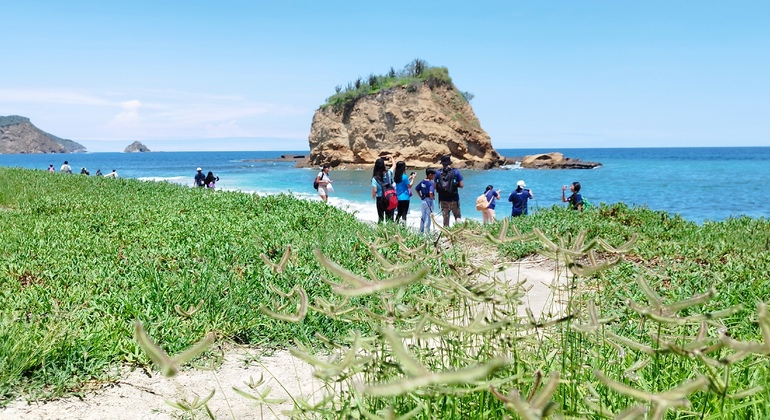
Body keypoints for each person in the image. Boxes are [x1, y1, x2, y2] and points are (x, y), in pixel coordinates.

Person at [434, 155, 464, 227]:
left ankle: (446, 235)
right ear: (450, 163)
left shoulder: (438, 173)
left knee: (446, 219)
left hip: (443, 199)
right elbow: (461, 185)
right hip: (454, 198)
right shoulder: (455, 172)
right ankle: (459, 232)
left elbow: (435, 186)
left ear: (442, 164)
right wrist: (454, 185)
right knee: (457, 216)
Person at [371, 156, 395, 223]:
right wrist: (391, 158)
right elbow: (394, 166)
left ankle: (380, 232)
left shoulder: (374, 178)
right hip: (390, 197)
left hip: (380, 199)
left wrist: (373, 195)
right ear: (383, 165)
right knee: (390, 218)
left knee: (381, 217)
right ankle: (391, 232)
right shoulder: (389, 173)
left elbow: (375, 190)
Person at [414, 168, 436, 233]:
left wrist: (420, 196)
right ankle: (428, 231)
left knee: (423, 216)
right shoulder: (431, 183)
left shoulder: (422, 182)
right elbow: (431, 193)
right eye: (433, 175)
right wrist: (432, 198)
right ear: (430, 175)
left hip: (423, 200)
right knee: (429, 216)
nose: (434, 177)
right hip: (429, 200)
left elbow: (416, 189)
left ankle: (421, 231)